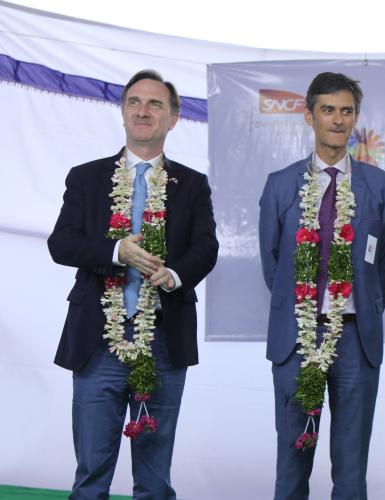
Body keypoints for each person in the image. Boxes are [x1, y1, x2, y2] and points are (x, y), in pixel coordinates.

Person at [48, 69, 219, 499]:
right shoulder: (86, 177)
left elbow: (206, 248)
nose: (143, 111)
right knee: (91, 472)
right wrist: (115, 251)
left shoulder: (192, 184)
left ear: (173, 119)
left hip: (164, 339)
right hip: (97, 341)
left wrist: (174, 275)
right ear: (123, 112)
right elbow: (61, 243)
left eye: (155, 104)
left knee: (154, 477)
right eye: (134, 102)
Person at [259, 72, 385, 500]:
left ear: (355, 118)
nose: (337, 120)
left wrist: (357, 308)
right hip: (296, 338)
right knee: (292, 460)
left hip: (356, 339)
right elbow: (272, 265)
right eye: (328, 110)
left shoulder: (381, 186)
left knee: (351, 466)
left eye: (346, 111)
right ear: (310, 116)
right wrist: (306, 311)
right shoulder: (281, 184)